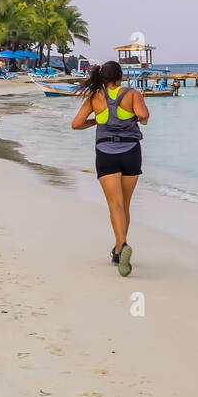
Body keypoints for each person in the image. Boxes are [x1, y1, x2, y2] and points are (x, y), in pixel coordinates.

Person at [71, 61, 150, 276]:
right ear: (121, 77)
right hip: (131, 152)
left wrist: (96, 122)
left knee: (114, 205)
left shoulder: (95, 97)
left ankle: (121, 247)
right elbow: (144, 117)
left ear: (102, 78)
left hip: (106, 153)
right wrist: (134, 117)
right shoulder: (132, 94)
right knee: (125, 204)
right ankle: (118, 248)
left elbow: (76, 124)